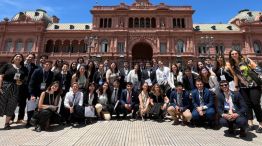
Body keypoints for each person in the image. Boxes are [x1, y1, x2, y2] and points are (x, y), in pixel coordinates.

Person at [229, 49, 262, 133]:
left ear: (238, 54)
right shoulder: (232, 65)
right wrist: (236, 86)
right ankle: (250, 123)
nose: (234, 55)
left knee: (255, 103)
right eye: (232, 54)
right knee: (247, 105)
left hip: (254, 84)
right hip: (243, 87)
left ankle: (261, 124)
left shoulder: (246, 60)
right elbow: (236, 76)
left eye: (236, 53)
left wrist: (260, 78)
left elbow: (257, 68)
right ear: (231, 56)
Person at [0, 54, 28, 130]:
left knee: (12, 105)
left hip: (16, 88)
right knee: (1, 103)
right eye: (17, 56)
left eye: (20, 57)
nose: (18, 58)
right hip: (5, 86)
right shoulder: (7, 66)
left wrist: (21, 82)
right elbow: (1, 76)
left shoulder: (24, 69)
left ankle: (6, 124)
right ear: (13, 58)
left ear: (22, 59)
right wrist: (0, 87)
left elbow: (25, 79)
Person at [28, 60, 54, 125]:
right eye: (46, 64)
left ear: (51, 66)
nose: (48, 66)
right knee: (31, 107)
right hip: (35, 91)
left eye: (49, 65)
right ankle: (29, 121)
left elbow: (49, 84)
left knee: (40, 107)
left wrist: (47, 92)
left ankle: (38, 121)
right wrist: (32, 94)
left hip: (43, 92)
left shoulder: (51, 73)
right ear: (43, 65)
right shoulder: (37, 71)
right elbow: (31, 83)